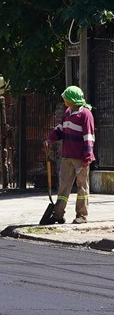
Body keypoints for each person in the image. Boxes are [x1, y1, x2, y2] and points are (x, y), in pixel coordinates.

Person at [44, 85, 95, 224]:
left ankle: (81, 215)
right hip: (67, 156)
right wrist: (50, 139)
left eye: (66, 98)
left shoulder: (85, 115)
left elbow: (89, 137)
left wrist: (87, 157)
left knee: (82, 186)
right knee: (64, 186)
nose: (64, 100)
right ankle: (58, 214)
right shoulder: (67, 113)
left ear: (72, 100)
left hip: (81, 158)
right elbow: (60, 129)